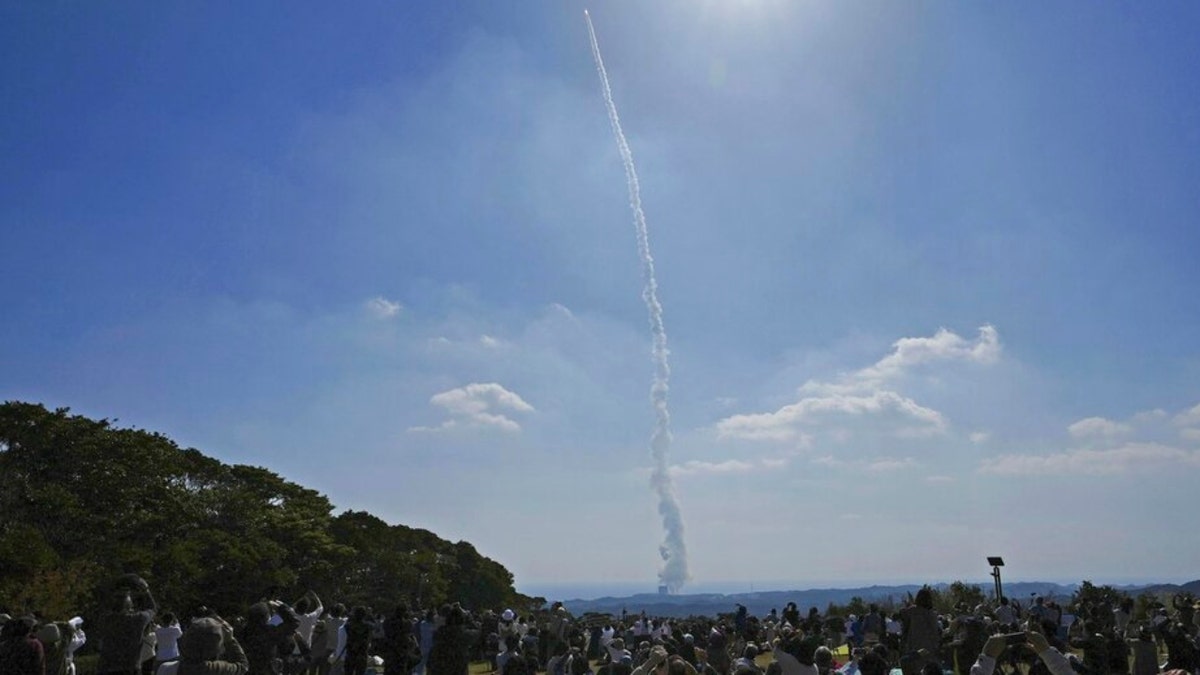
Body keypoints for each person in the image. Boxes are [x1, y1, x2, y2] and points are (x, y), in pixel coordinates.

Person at [97, 575, 158, 675]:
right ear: (130, 608)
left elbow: (104, 605)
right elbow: (152, 608)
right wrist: (145, 589)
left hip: (105, 668)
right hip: (129, 668)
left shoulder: (105, 620)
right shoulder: (138, 619)